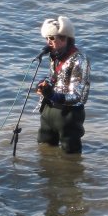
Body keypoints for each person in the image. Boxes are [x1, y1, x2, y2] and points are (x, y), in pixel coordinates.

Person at [36, 16, 90, 154]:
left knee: (70, 154)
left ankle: (71, 174)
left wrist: (53, 95)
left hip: (68, 115)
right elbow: (54, 78)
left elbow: (76, 96)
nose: (49, 42)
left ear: (65, 38)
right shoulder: (55, 56)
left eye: (52, 38)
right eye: (47, 38)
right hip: (49, 110)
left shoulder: (79, 60)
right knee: (44, 147)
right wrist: (44, 85)